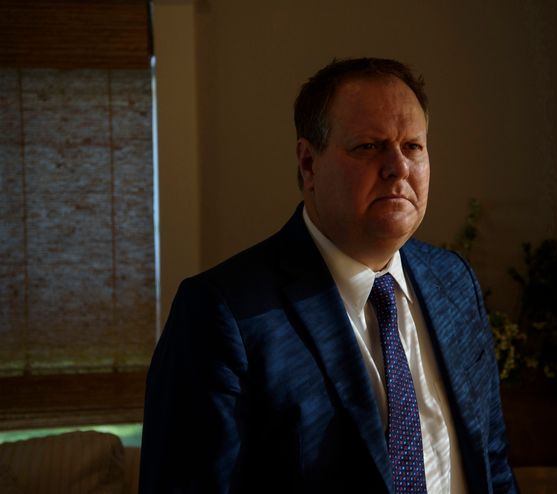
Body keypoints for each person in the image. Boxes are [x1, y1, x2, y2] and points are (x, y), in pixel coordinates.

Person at [140, 57, 518, 493]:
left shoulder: (455, 282)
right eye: (368, 147)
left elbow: (492, 463)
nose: (398, 167)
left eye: (413, 146)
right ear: (308, 164)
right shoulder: (223, 313)